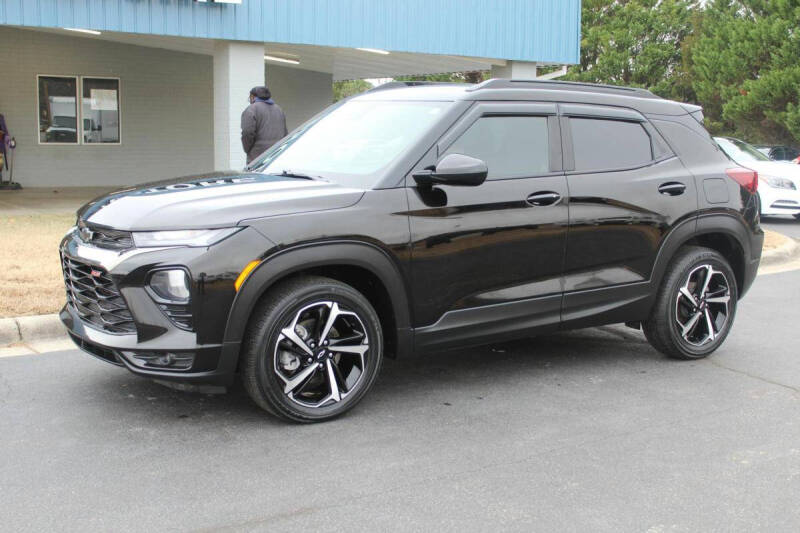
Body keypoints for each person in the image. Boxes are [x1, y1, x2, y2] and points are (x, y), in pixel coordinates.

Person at [241, 86, 288, 164]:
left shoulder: (251, 109)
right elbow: (285, 134)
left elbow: (247, 132)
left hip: (257, 157)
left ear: (252, 96)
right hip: (277, 155)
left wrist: (248, 150)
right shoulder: (279, 109)